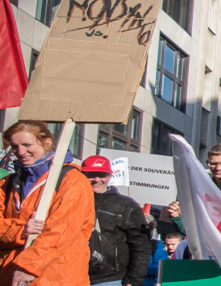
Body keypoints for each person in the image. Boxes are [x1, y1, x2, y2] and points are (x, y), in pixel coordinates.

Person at [0, 120, 95, 286]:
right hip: (9, 275)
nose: (20, 152)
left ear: (46, 142)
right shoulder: (7, 182)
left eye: (27, 145)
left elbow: (61, 231)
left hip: (56, 278)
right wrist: (21, 230)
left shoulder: (72, 180)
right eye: (15, 147)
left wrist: (28, 266)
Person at [82, 155, 153, 286]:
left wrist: (134, 279)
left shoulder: (126, 205)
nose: (96, 179)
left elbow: (141, 244)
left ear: (109, 176)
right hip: (72, 275)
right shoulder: (71, 201)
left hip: (110, 279)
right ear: (82, 175)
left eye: (102, 175)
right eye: (91, 175)